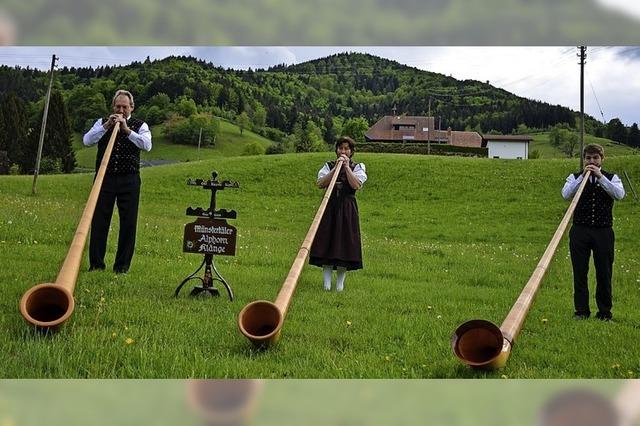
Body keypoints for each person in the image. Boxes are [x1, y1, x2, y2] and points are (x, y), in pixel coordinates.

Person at [82, 89, 152, 273]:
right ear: (113, 106)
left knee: (128, 223)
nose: (121, 111)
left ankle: (121, 267)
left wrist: (126, 130)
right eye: (118, 106)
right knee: (99, 221)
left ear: (132, 108)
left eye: (125, 107)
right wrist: (106, 126)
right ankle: (96, 265)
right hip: (104, 179)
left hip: (129, 179)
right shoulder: (101, 122)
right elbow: (86, 141)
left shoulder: (140, 125)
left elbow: (147, 145)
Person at [561, 144, 625, 320]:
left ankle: (605, 313)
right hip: (580, 230)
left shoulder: (612, 178)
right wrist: (582, 177)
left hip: (603, 232)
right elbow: (566, 194)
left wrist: (601, 177)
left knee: (604, 272)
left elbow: (619, 195)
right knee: (579, 271)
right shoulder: (574, 177)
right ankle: (581, 311)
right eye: (588, 158)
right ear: (584, 160)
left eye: (595, 158)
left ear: (602, 159)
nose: (592, 161)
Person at [309, 136, 367, 292]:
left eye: (347, 149)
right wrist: (336, 169)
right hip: (329, 207)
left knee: (345, 244)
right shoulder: (328, 166)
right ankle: (326, 285)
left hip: (347, 209)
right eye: (341, 148)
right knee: (326, 243)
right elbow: (320, 183)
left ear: (351, 152)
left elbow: (356, 185)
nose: (343, 151)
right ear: (336, 150)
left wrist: (346, 167)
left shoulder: (358, 167)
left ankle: (340, 286)